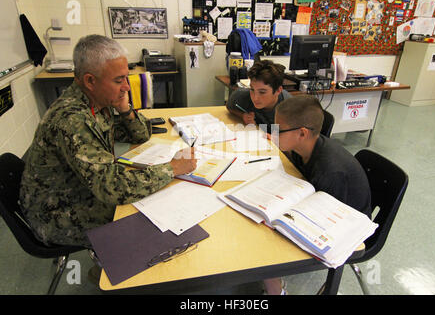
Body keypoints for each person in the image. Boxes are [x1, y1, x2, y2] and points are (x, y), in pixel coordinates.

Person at [19, 35, 197, 248]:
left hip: (82, 188)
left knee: (151, 198)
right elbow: (111, 188)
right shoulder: (72, 119)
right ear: (90, 81)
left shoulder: (97, 101)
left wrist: (125, 109)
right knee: (146, 216)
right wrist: (171, 169)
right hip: (55, 212)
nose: (127, 87)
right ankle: (117, 271)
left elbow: (140, 135)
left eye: (126, 78)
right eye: (118, 80)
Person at [263, 95, 372, 295]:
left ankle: (276, 289)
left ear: (302, 133)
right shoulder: (302, 147)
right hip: (322, 202)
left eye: (279, 129)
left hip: (345, 225)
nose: (274, 133)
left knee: (265, 244)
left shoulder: (330, 172)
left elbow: (329, 224)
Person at [226, 60, 292, 134]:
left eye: (262, 92)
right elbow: (229, 106)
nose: (255, 98)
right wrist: (242, 115)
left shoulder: (290, 107)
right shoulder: (243, 95)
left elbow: (299, 139)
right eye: (252, 89)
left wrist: (276, 139)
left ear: (278, 91)